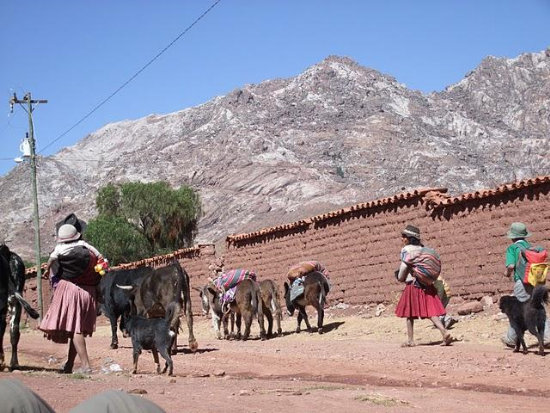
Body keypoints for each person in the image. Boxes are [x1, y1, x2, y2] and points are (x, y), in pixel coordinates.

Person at [39, 224, 104, 374]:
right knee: (76, 328)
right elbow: (100, 267)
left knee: (75, 329)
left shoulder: (59, 253)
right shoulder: (88, 250)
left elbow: (53, 275)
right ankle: (69, 364)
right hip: (89, 292)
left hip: (71, 291)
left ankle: (86, 366)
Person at [394, 225, 452, 347]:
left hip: (413, 284)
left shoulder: (407, 250)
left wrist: (400, 278)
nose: (402, 239)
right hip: (426, 284)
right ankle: (444, 331)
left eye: (404, 236)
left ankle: (410, 340)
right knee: (430, 311)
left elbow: (404, 267)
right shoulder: (424, 249)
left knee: (409, 313)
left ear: (409, 238)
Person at [501, 222, 550, 347]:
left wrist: (506, 273)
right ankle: (548, 335)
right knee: (538, 307)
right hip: (535, 282)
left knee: (518, 311)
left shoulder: (513, 248)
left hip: (522, 283)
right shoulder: (530, 247)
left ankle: (512, 338)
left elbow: (511, 266)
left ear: (512, 237)